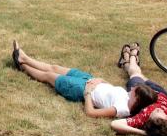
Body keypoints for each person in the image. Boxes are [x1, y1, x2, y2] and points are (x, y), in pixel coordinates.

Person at [12, 41, 157, 119]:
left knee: (49, 76)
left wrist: (87, 93)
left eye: (134, 91)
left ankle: (23, 65)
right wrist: (100, 80)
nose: (131, 88)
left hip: (81, 89)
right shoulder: (127, 96)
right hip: (91, 80)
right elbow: (112, 90)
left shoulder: (122, 109)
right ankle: (24, 58)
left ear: (137, 99)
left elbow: (91, 113)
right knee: (54, 67)